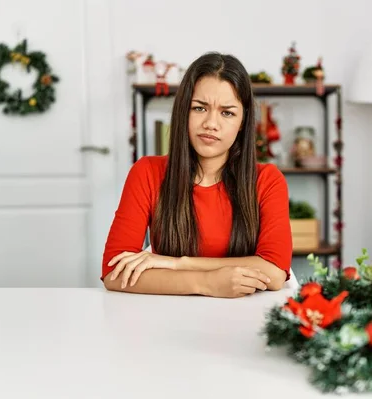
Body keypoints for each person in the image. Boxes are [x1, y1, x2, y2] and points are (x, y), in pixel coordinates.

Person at [101, 52, 293, 298]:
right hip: (167, 316)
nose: (211, 123)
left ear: (243, 122)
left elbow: (275, 271)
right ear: (183, 111)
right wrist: (207, 283)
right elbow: (114, 271)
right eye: (200, 108)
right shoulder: (147, 172)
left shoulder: (267, 180)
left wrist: (178, 264)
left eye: (227, 112)